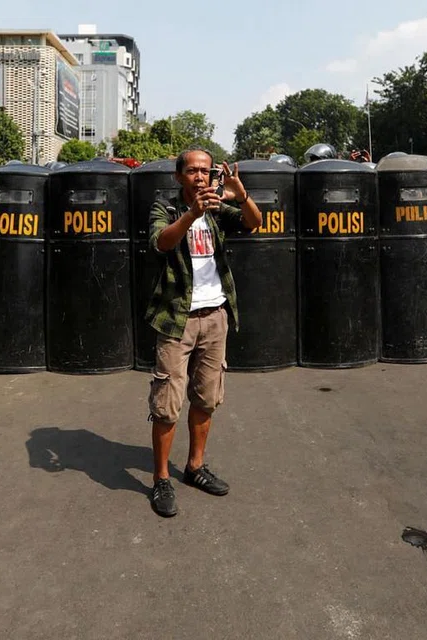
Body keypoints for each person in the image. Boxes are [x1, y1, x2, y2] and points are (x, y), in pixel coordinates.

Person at [144, 147, 263, 517]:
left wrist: (240, 193)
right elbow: (160, 242)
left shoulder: (216, 208)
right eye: (193, 170)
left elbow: (253, 222)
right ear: (179, 176)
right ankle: (161, 478)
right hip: (176, 318)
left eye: (206, 171)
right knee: (167, 404)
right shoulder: (166, 208)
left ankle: (195, 466)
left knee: (206, 398)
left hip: (215, 317)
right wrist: (192, 214)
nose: (200, 176)